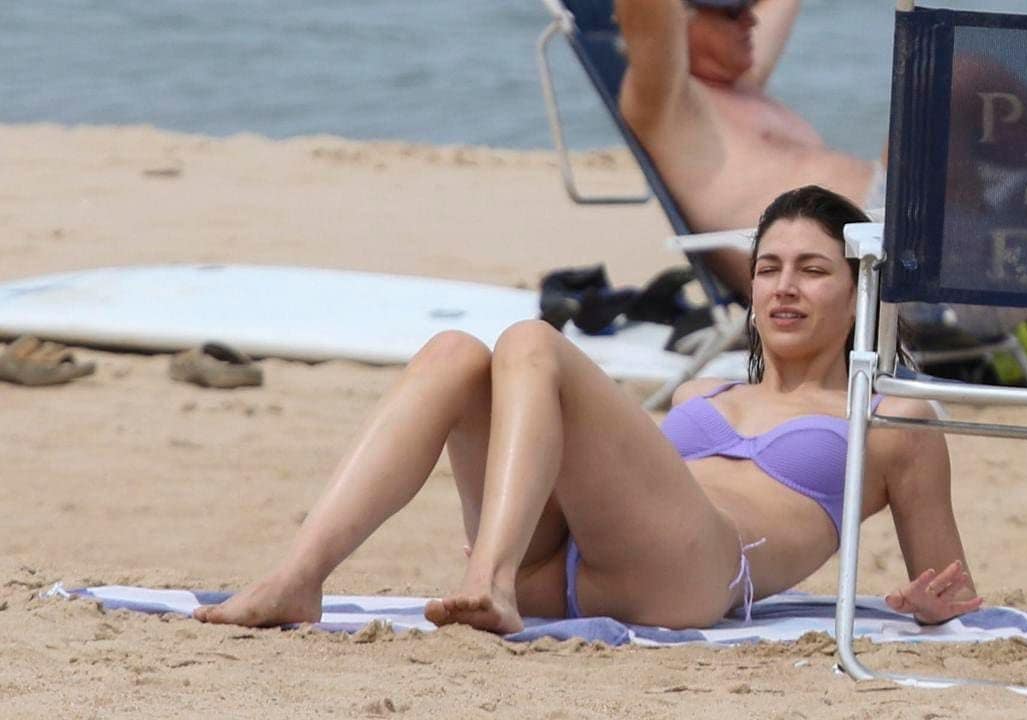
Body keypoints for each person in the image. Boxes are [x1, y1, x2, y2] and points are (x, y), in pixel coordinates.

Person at [192, 186, 983, 633]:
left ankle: (486, 578)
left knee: (533, 341)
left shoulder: (891, 417)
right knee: (454, 358)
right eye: (768, 269)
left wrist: (927, 605)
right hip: (563, 562)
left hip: (688, 576)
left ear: (858, 293)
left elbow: (950, 585)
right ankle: (300, 578)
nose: (783, 287)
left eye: (812, 270)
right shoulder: (700, 391)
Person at [615, 0, 1027, 404]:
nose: (750, 17)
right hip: (881, 280)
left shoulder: (741, 85)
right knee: (947, 76)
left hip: (958, 253)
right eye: (729, 8)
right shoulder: (668, 106)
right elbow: (652, 18)